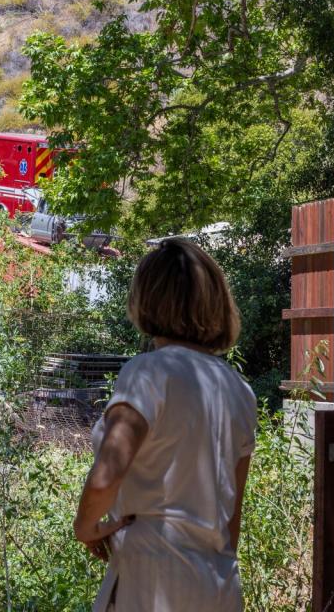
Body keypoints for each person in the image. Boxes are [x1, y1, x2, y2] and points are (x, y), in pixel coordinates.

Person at [74, 238, 257, 612]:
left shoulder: (148, 372)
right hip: (218, 582)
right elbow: (231, 518)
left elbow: (107, 475)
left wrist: (86, 528)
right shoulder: (239, 390)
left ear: (147, 299)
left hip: (150, 579)